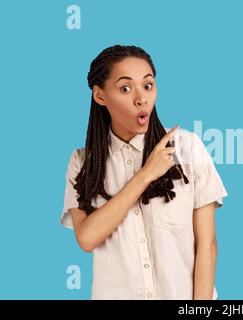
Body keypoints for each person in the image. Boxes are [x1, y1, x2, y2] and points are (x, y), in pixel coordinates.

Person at [60, 44, 228, 300]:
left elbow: (207, 244)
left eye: (147, 85)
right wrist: (145, 174)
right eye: (125, 88)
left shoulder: (188, 149)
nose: (141, 98)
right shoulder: (83, 163)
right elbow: (87, 238)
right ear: (100, 95)